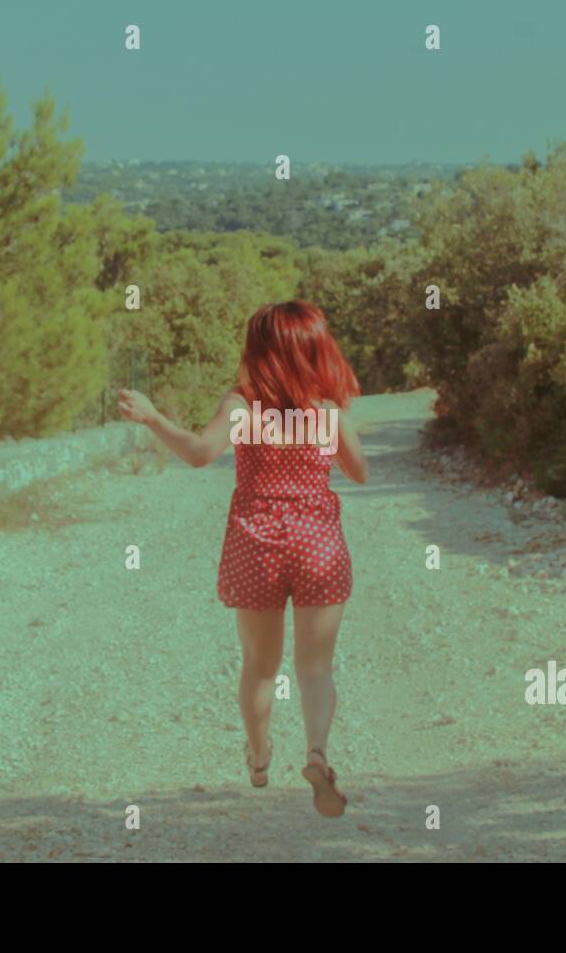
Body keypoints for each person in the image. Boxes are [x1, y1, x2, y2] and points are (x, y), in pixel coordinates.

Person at [117, 300, 368, 818]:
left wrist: (151, 416)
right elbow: (359, 471)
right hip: (317, 540)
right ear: (315, 348)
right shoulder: (325, 408)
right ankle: (317, 755)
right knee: (315, 667)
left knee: (259, 667)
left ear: (258, 350)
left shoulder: (243, 403)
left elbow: (198, 453)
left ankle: (259, 759)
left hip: (256, 542)